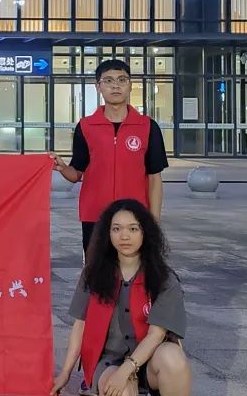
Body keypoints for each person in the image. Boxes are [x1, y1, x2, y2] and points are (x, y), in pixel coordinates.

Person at [51, 199, 196, 396]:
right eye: (116, 229)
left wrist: (126, 371)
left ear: (145, 232)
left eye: (133, 228)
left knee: (173, 357)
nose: (124, 236)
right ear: (107, 233)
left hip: (149, 358)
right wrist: (66, 372)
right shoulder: (93, 274)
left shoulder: (163, 278)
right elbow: (80, 325)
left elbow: (156, 335)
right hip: (109, 359)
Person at [51, 59, 168, 254]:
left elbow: (155, 177)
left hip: (134, 218)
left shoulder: (148, 127)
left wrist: (153, 221)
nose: (115, 86)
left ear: (130, 85)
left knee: (133, 269)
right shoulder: (86, 126)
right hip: (94, 216)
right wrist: (62, 168)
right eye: (108, 81)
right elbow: (76, 173)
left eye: (122, 80)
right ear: (98, 87)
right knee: (96, 269)